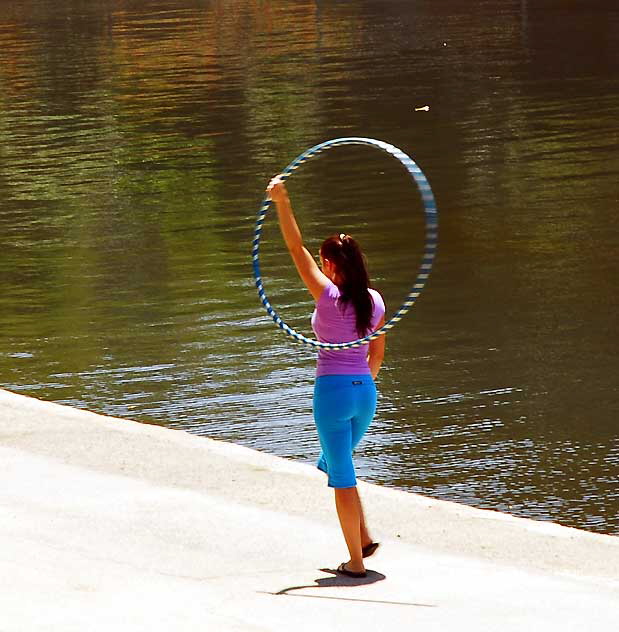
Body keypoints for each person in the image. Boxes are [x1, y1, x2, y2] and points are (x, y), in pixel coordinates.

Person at [266, 175, 386, 578]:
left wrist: (282, 201)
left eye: (322, 261)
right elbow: (378, 353)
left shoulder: (326, 294)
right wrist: (361, 385)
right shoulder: (376, 300)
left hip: (332, 394)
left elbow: (293, 247)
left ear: (331, 265)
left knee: (341, 478)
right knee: (338, 463)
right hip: (365, 394)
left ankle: (355, 562)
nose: (318, 266)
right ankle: (364, 538)